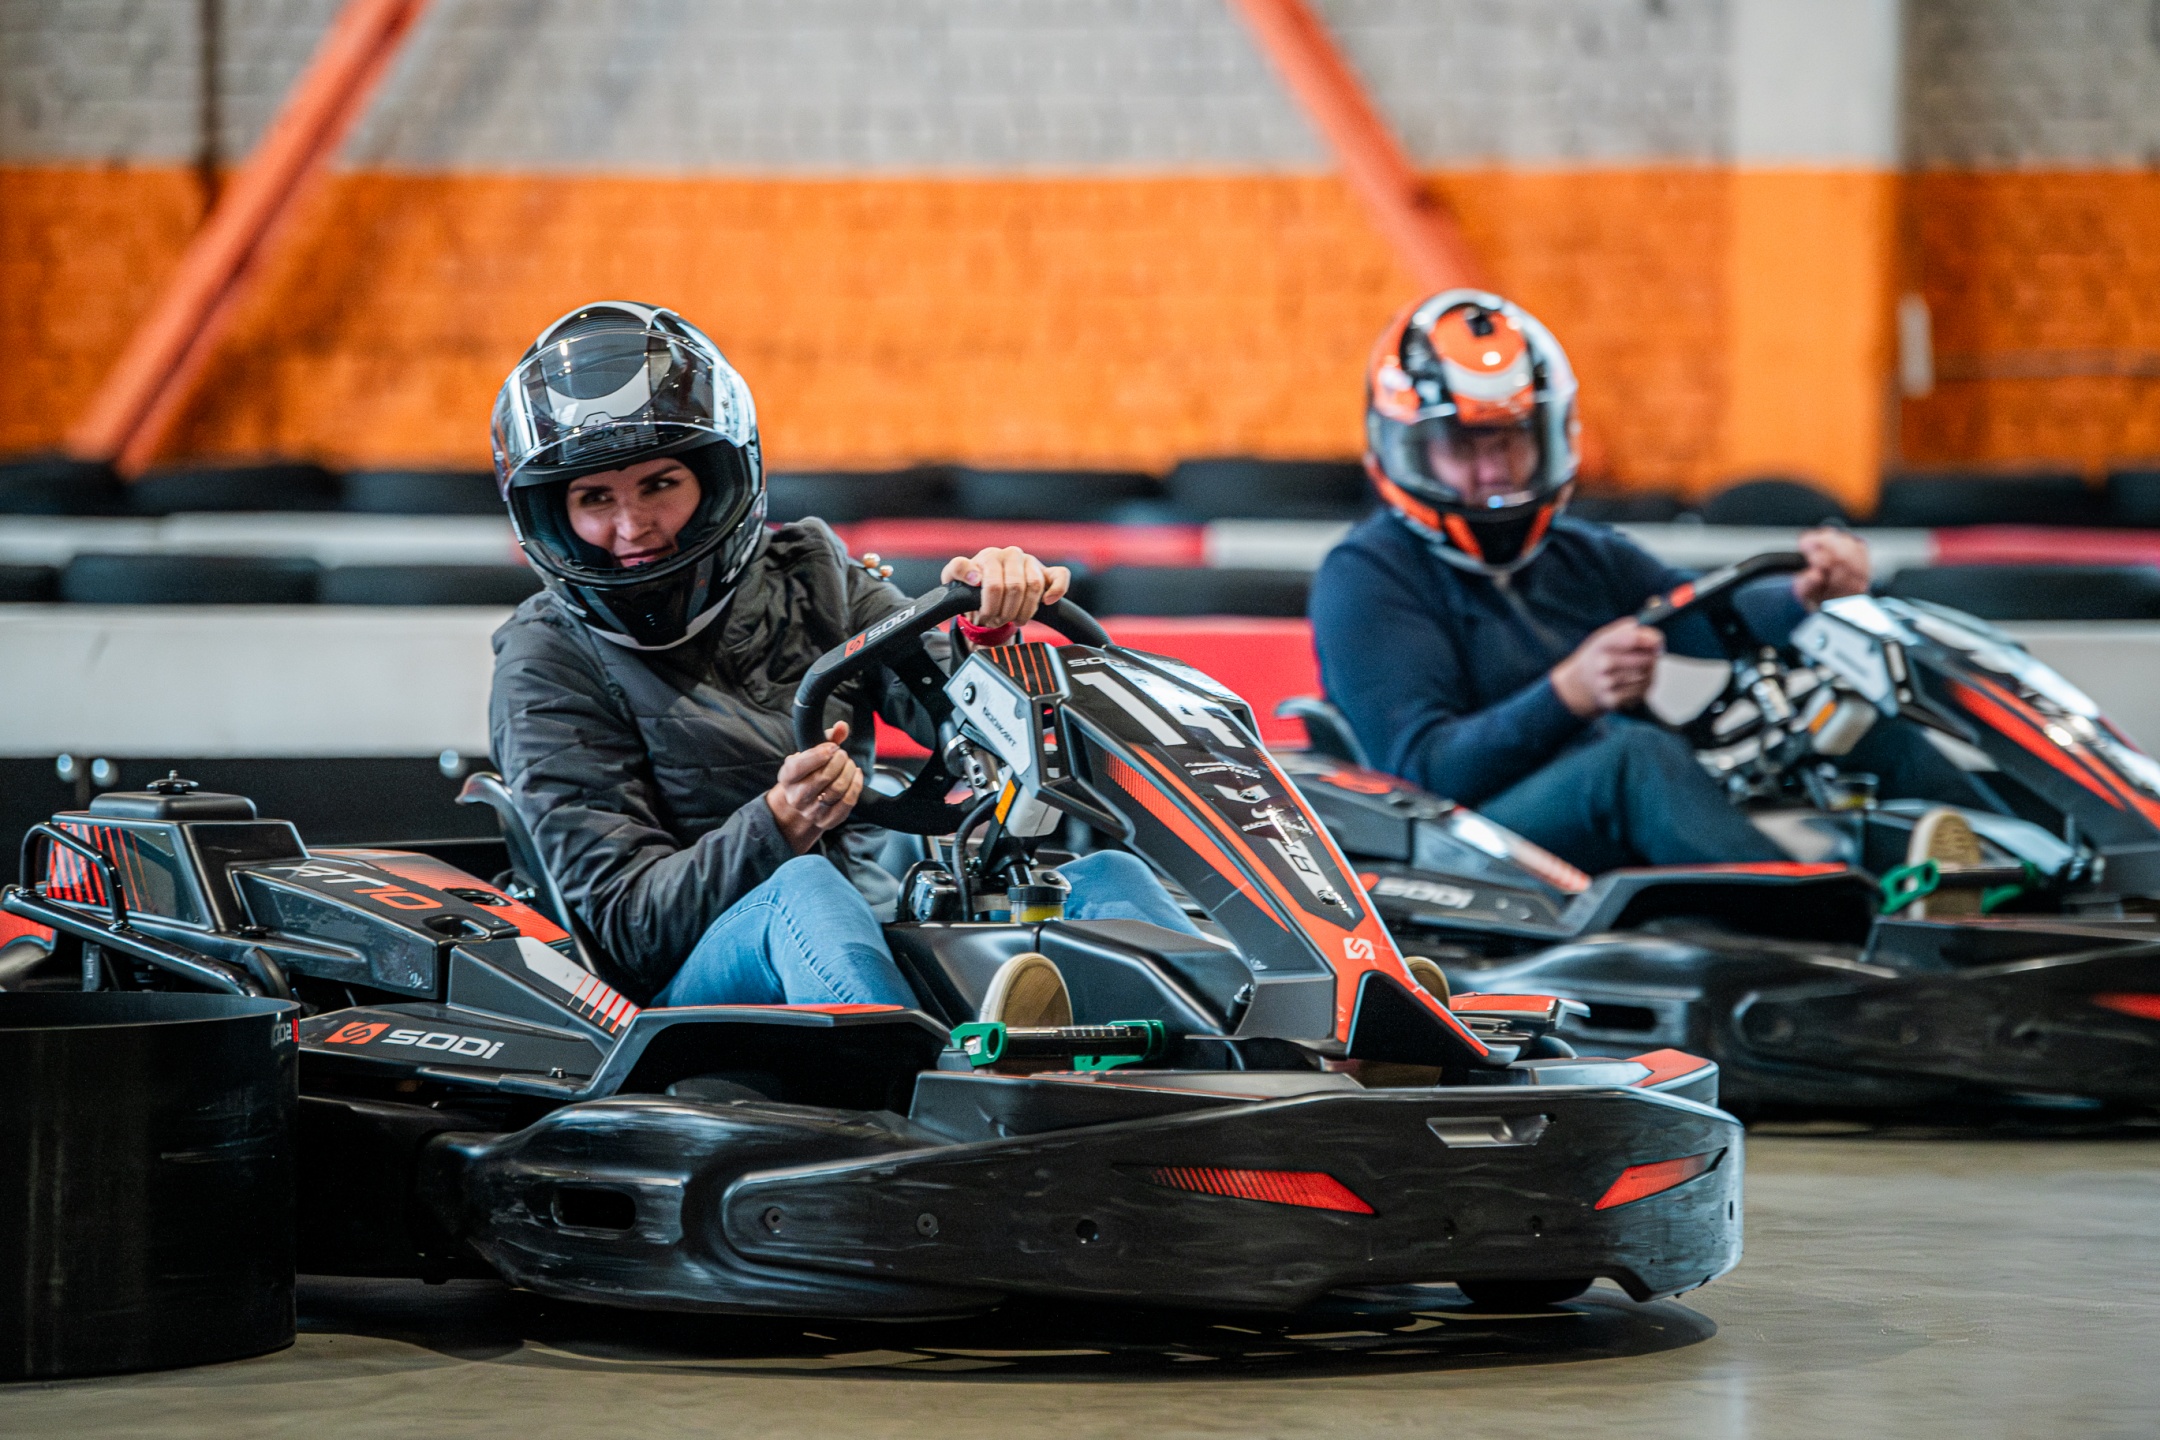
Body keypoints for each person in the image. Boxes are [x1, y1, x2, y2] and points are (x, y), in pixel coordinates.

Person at [487, 301, 1197, 1016]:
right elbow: (627, 929)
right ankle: (928, 1069)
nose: (632, 525)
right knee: (806, 887)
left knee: (1106, 878)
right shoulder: (547, 658)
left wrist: (987, 631)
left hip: (858, 926)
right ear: (554, 517)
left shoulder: (813, 576)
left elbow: (961, 717)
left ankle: (1233, 1054)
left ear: (716, 480)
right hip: (681, 986)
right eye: (595, 499)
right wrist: (780, 823)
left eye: (660, 484)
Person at [1311, 288, 2003, 876]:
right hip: (1462, 841)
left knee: (1849, 721)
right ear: (1408, 448)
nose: (1495, 472)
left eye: (1511, 441)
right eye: (1464, 447)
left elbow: (1706, 617)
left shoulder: (1579, 553)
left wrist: (1806, 595)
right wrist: (1569, 693)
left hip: (1594, 806)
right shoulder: (1367, 577)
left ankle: (2015, 868)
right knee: (1636, 758)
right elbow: (1423, 769)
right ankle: (1825, 922)